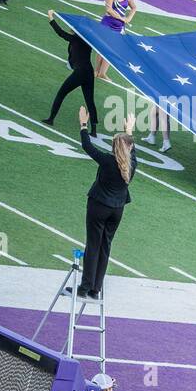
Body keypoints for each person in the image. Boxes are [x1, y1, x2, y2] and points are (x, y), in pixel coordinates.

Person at [71, 107, 136, 301]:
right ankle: (95, 289)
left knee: (93, 245)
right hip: (117, 209)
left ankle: (84, 287)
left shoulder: (107, 161)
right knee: (105, 246)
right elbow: (132, 149)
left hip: (99, 206)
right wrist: (129, 130)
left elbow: (87, 146)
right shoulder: (132, 164)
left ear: (114, 147)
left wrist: (83, 124)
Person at [43, 10, 98, 127]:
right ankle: (93, 130)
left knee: (61, 93)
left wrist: (51, 18)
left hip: (80, 72)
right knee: (90, 101)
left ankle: (51, 119)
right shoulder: (88, 40)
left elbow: (60, 33)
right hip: (89, 72)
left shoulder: (76, 39)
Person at [94, 0, 136, 80]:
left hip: (119, 27)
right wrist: (122, 18)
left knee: (112, 49)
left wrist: (129, 18)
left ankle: (102, 73)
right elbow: (109, 10)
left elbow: (134, 8)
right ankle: (96, 70)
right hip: (107, 24)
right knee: (102, 47)